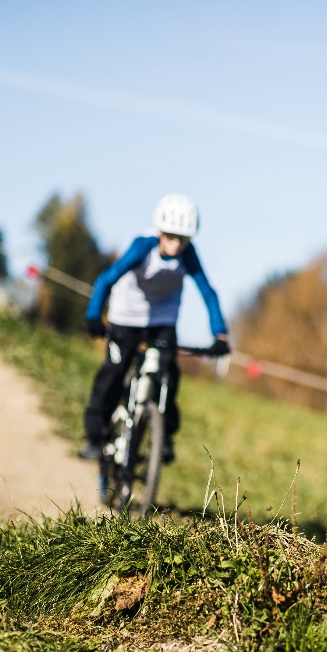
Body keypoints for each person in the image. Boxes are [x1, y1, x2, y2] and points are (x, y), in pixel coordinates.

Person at [79, 194, 229, 463]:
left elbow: (208, 292)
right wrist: (94, 317)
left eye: (183, 239)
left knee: (169, 372)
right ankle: (93, 436)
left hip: (162, 318)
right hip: (126, 315)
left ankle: (165, 437)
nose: (176, 244)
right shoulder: (143, 245)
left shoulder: (188, 255)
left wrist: (220, 334)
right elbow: (106, 279)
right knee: (114, 371)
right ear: (160, 231)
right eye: (171, 236)